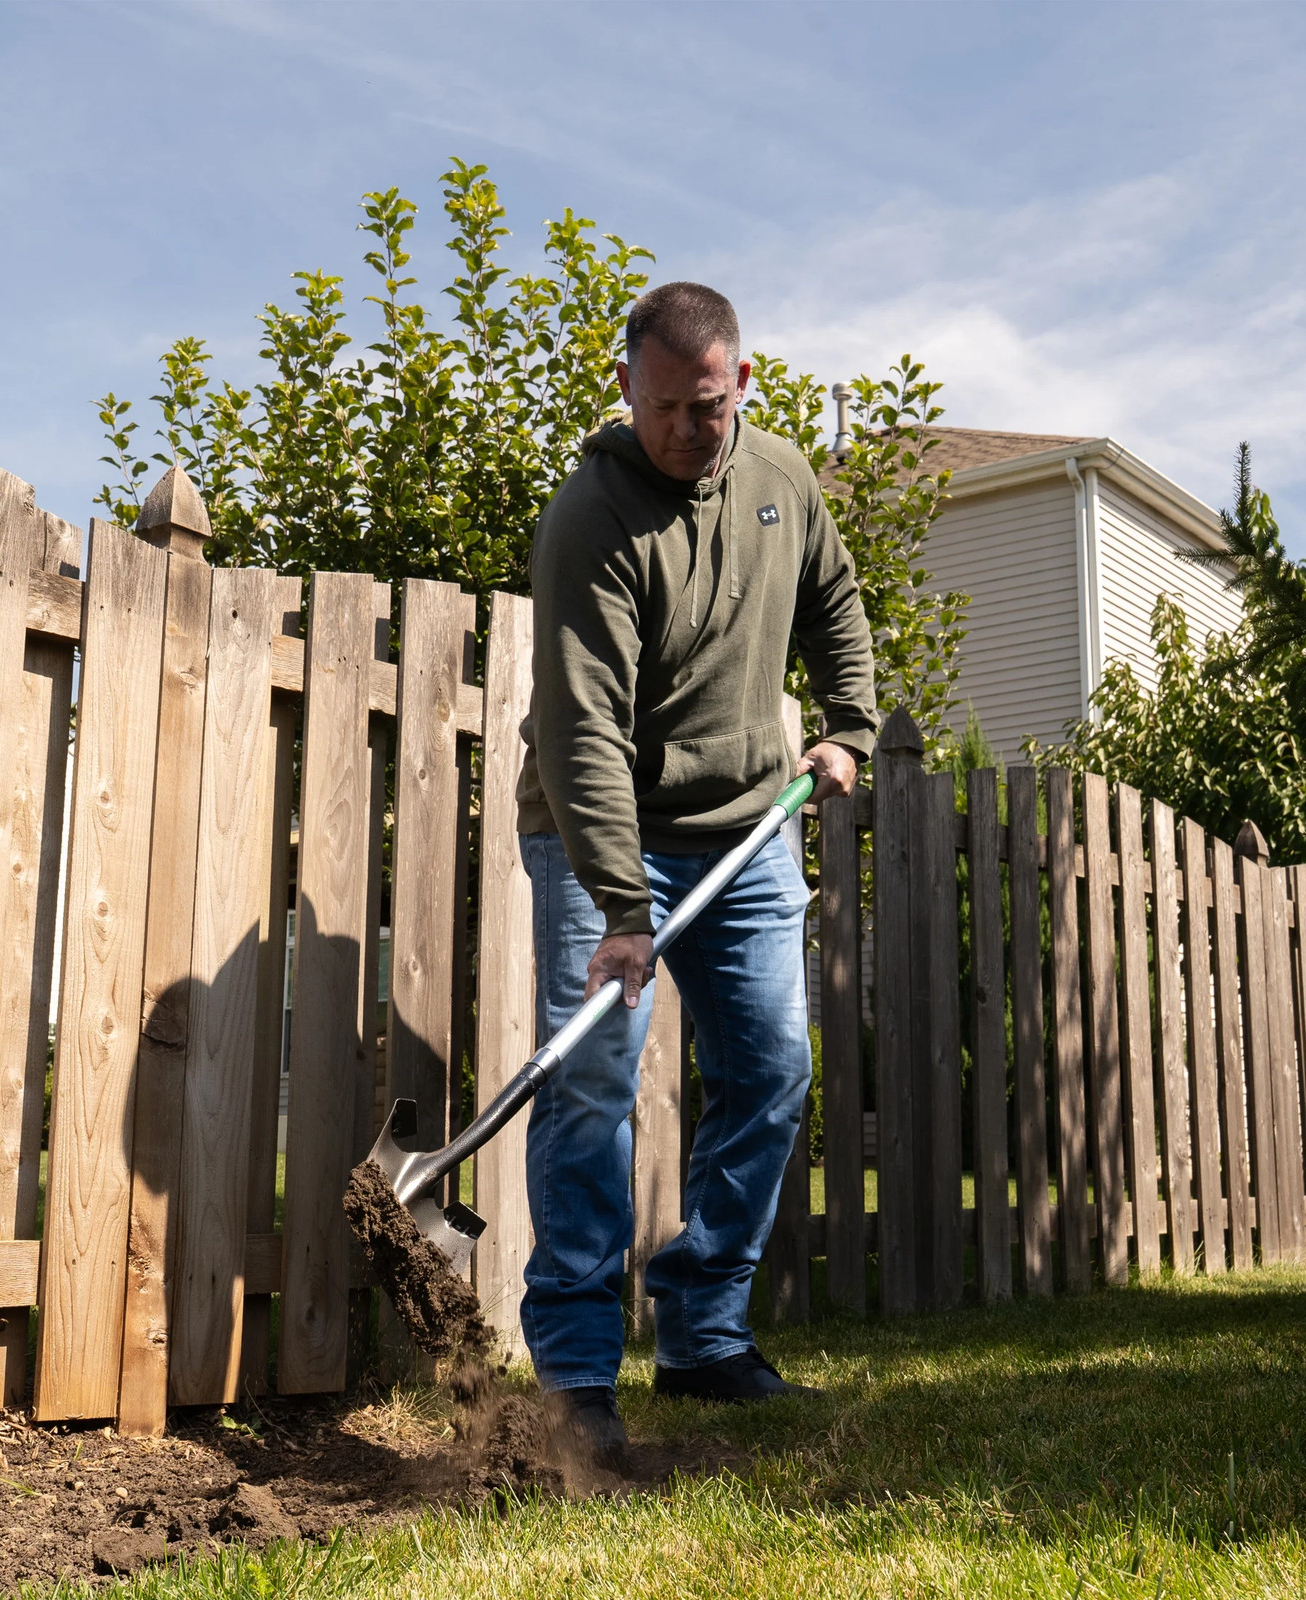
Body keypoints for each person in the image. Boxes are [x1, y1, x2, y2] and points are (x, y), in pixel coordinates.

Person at [516, 281, 879, 1466]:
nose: (685, 429)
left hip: (745, 831)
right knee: (591, 1085)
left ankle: (704, 1331)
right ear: (626, 385)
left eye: (708, 406)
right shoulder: (591, 517)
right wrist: (623, 907)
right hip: (598, 832)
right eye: (663, 405)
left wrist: (848, 723)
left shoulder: (781, 478)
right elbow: (579, 731)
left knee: (771, 1068)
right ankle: (576, 1371)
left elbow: (833, 599)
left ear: (742, 384)